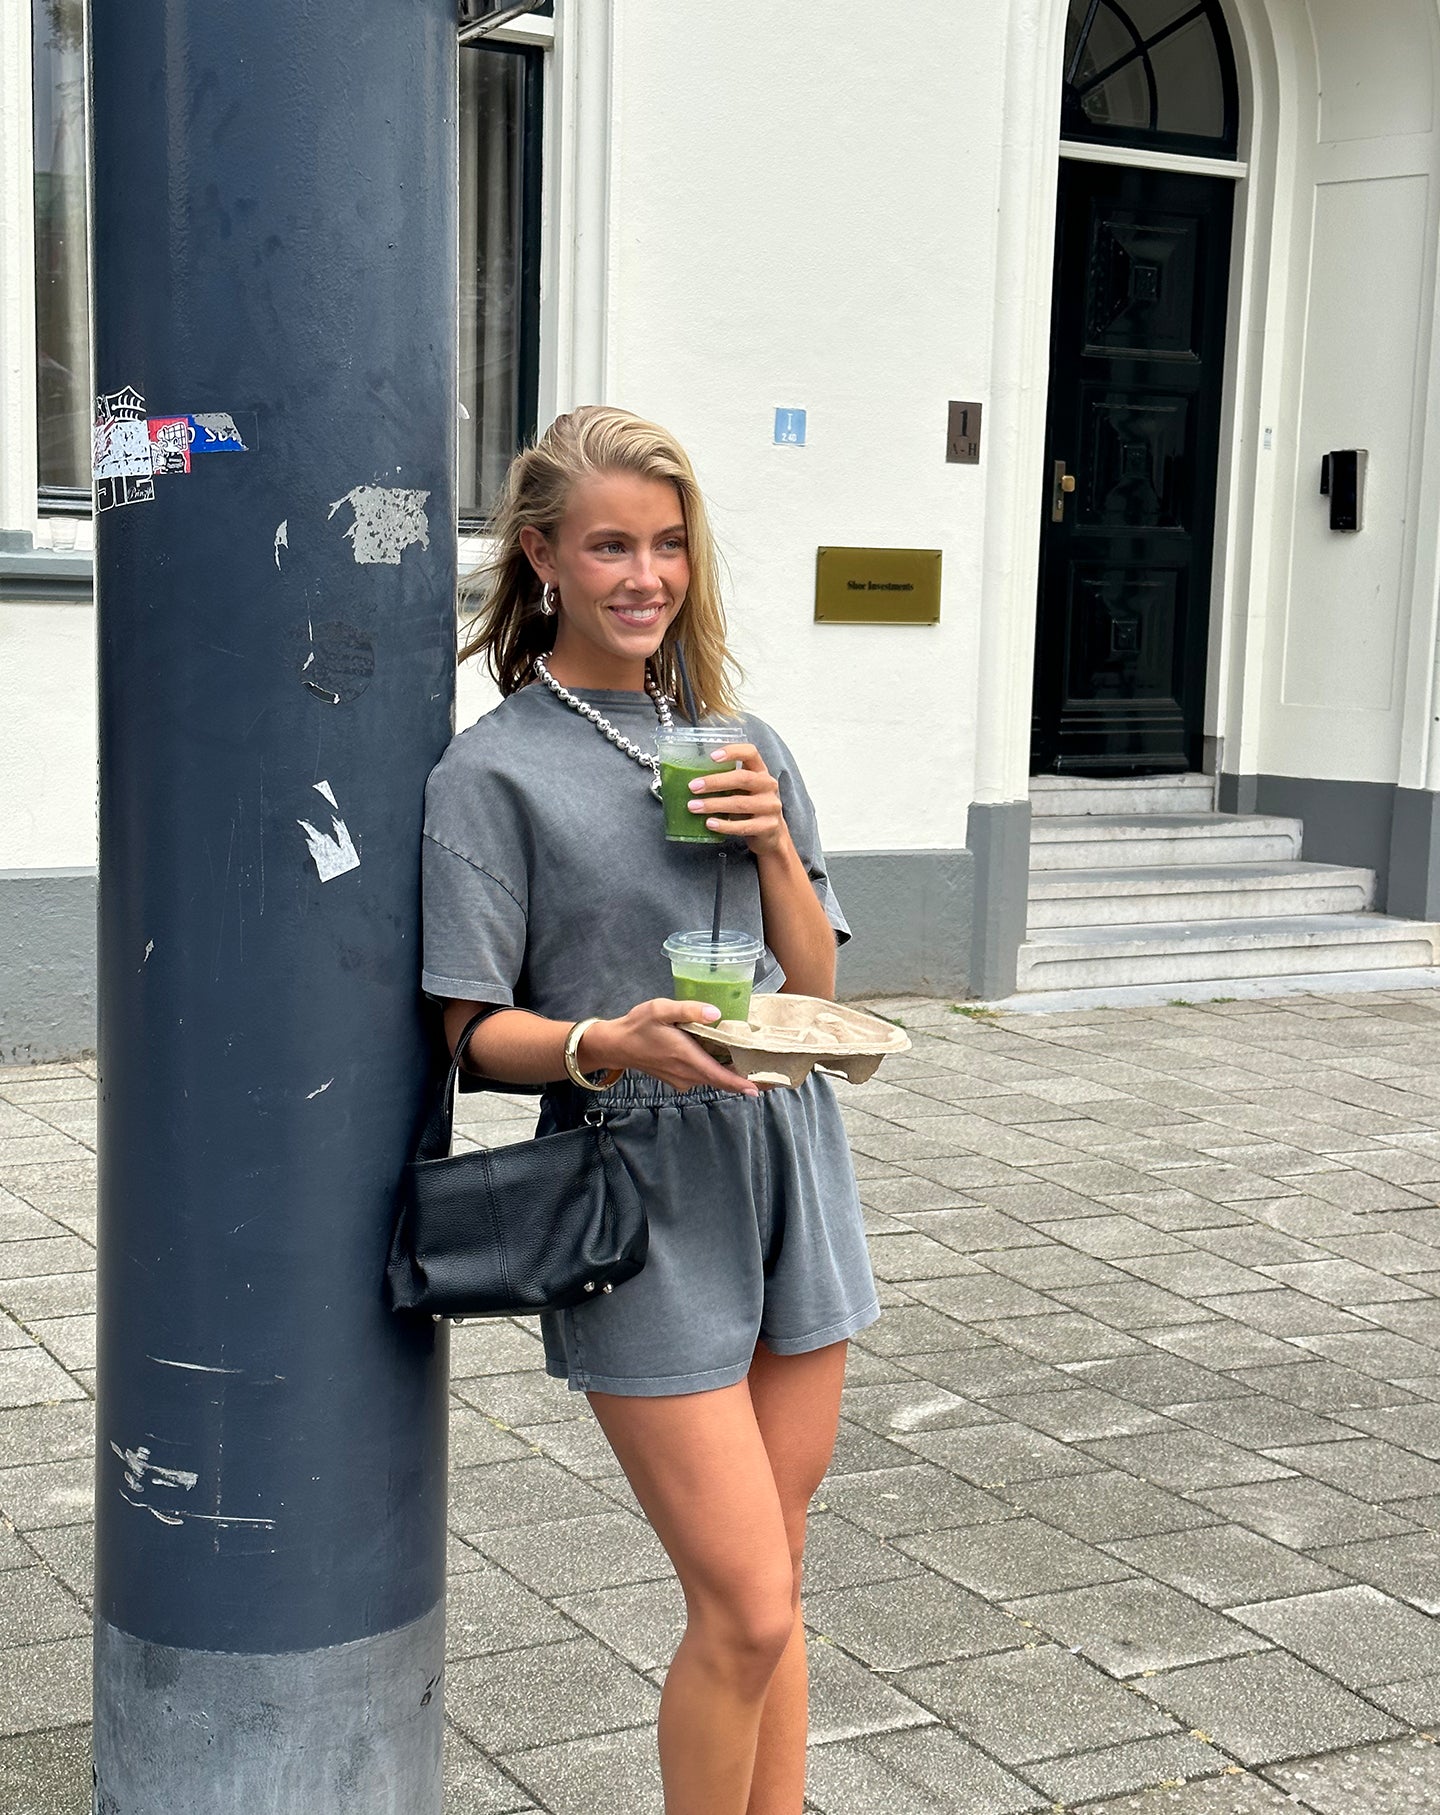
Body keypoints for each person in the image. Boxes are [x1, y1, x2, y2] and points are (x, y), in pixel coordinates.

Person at [421, 405, 879, 1815]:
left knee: (778, 1580)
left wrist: (775, 844)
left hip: (789, 1161)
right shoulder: (492, 775)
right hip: (636, 1186)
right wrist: (607, 1043)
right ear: (543, 556)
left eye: (669, 545)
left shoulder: (744, 741)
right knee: (743, 1604)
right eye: (611, 546)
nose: (646, 577)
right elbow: (468, 1034)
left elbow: (813, 983)